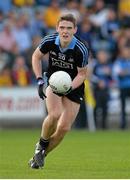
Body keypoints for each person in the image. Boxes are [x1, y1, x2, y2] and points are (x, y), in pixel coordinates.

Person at [28, 13, 89, 169]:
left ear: (75, 30)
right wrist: (39, 80)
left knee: (63, 128)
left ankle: (41, 155)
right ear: (57, 28)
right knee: (54, 115)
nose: (65, 31)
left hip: (74, 87)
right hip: (54, 84)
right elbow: (36, 57)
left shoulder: (80, 49)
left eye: (69, 28)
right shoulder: (49, 41)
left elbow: (82, 74)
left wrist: (69, 87)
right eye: (62, 27)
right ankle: (41, 145)